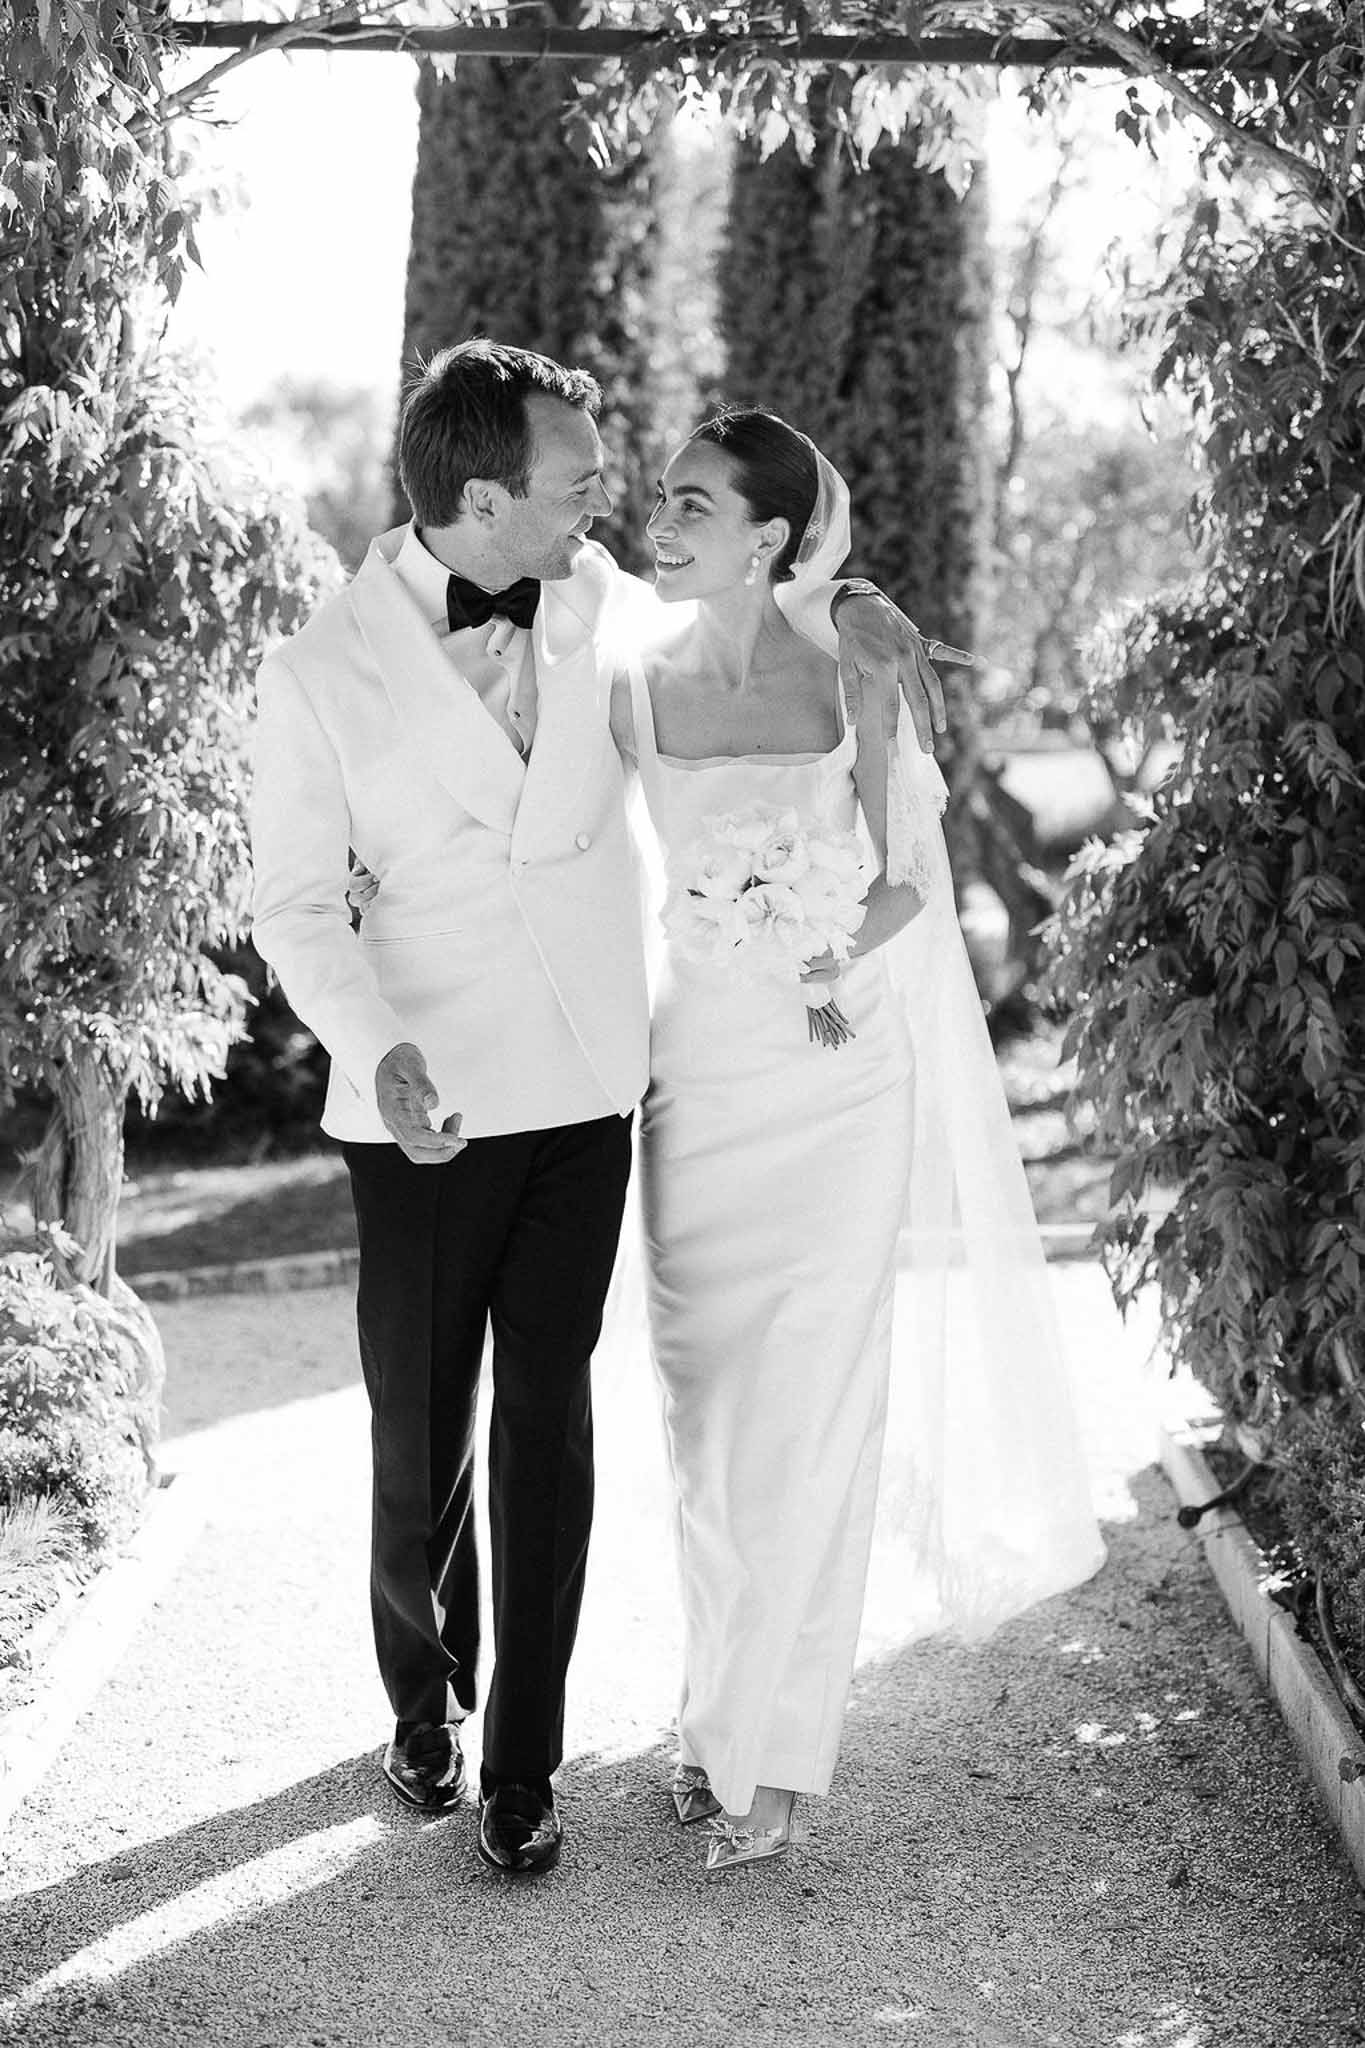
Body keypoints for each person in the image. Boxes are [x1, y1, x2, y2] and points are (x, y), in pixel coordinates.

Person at [248, 341, 947, 1879]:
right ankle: (423, 1701)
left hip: (582, 1087)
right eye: (576, 483)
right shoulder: (315, 672)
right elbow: (293, 907)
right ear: (484, 499)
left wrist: (851, 597)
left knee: (547, 1425)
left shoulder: (599, 603)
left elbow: (755, 607)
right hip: (419, 1100)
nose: (604, 507)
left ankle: (523, 1765)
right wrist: (376, 1048)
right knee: (418, 1431)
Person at [609, 407, 1105, 1876]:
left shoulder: (855, 668)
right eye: (661, 499)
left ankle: (774, 1753)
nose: (660, 522)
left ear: (769, 536)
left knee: (818, 1404)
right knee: (708, 1414)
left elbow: (904, 881)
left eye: (694, 505)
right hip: (697, 1082)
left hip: (834, 1074)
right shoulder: (630, 684)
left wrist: (813, 947)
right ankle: (712, 1712)